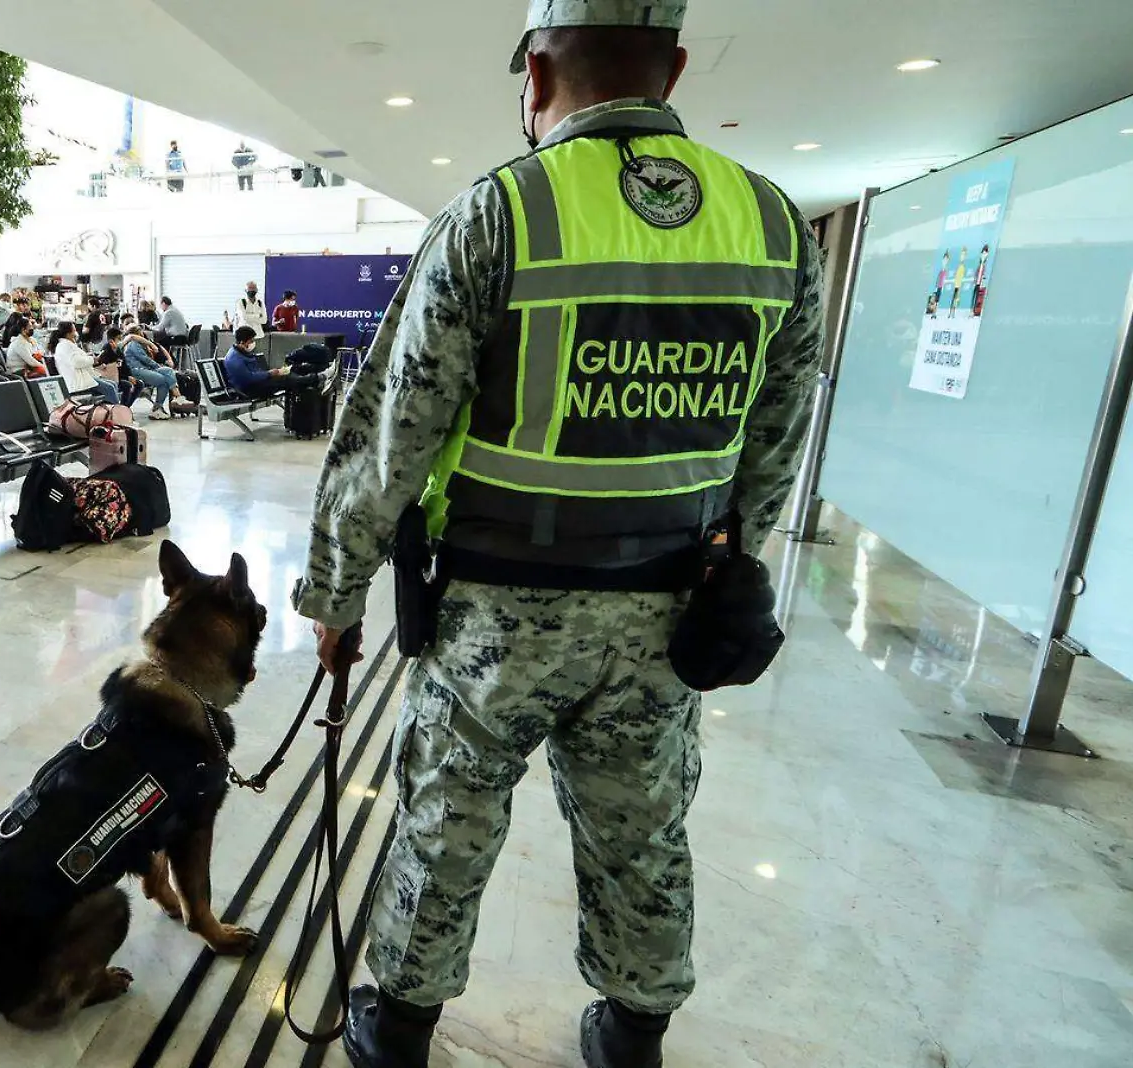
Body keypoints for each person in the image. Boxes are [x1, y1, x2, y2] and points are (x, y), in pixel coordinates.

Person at [296, 5, 825, 1067]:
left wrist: (334, 595)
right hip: (668, 612)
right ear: (673, 67)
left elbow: (392, 438)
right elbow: (777, 431)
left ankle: (396, 1030)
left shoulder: (498, 214)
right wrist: (738, 563)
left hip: (496, 614)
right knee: (641, 834)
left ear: (534, 75)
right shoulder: (774, 224)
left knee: (447, 823)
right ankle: (632, 1037)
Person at [223, 329, 329, 400]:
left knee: (291, 372)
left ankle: (318, 374)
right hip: (249, 390)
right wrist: (269, 374)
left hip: (257, 383)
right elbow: (248, 378)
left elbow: (254, 373)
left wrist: (271, 373)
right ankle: (320, 377)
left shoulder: (242, 353)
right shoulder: (235, 359)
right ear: (242, 342)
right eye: (251, 341)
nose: (252, 343)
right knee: (286, 379)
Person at [121, 328, 188, 419]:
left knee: (168, 371)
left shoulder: (141, 344)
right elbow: (145, 359)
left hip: (145, 369)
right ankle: (159, 408)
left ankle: (175, 398)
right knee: (163, 380)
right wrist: (158, 366)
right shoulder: (133, 344)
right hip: (136, 370)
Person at [53, 321, 119, 405]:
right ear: (68, 333)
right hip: (78, 381)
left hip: (82, 377)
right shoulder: (64, 346)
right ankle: (116, 414)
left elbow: (76, 358)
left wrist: (89, 357)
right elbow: (76, 362)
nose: (76, 333)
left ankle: (109, 411)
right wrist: (92, 360)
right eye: (74, 330)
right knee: (110, 388)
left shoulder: (66, 344)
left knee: (112, 384)